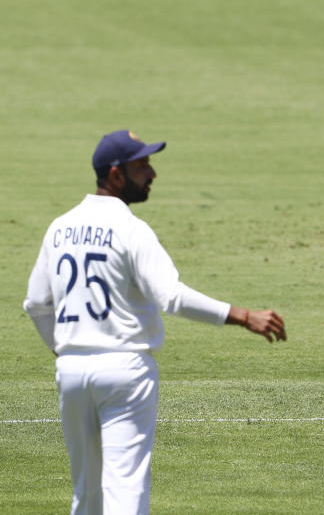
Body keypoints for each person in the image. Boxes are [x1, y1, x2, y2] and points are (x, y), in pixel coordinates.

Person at [23, 130, 287, 515]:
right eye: (141, 165)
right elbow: (172, 297)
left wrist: (66, 350)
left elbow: (35, 303)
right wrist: (244, 316)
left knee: (86, 495)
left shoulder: (59, 228)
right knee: (126, 492)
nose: (152, 174)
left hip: (72, 370)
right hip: (125, 371)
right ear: (115, 175)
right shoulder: (131, 229)